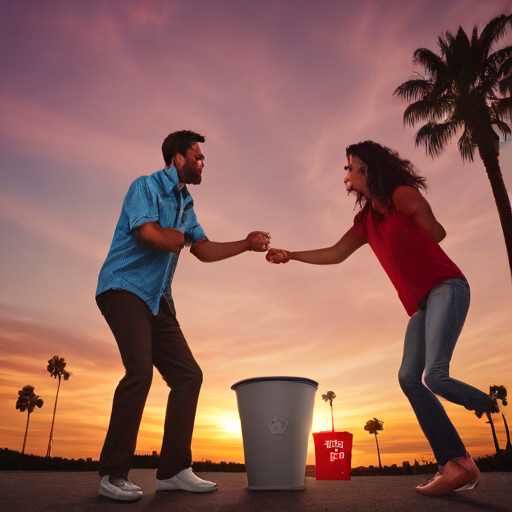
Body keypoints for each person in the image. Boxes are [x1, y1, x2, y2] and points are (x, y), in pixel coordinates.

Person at [266, 140, 502, 496]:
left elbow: (436, 233)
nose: (346, 173)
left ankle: (482, 403)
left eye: (350, 166)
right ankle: (455, 465)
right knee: (409, 378)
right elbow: (335, 253)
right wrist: (291, 255)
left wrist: (417, 210)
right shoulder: (365, 220)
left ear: (367, 169)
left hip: (447, 287)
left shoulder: (401, 195)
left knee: (434, 376)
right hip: (423, 303)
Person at [96, 130, 270, 501]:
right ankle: (112, 474)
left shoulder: (185, 203)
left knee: (188, 376)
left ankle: (173, 471)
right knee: (140, 371)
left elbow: (203, 250)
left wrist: (246, 244)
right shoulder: (144, 186)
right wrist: (181, 239)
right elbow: (148, 235)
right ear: (177, 158)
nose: (202, 162)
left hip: (158, 300)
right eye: (197, 156)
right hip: (123, 287)